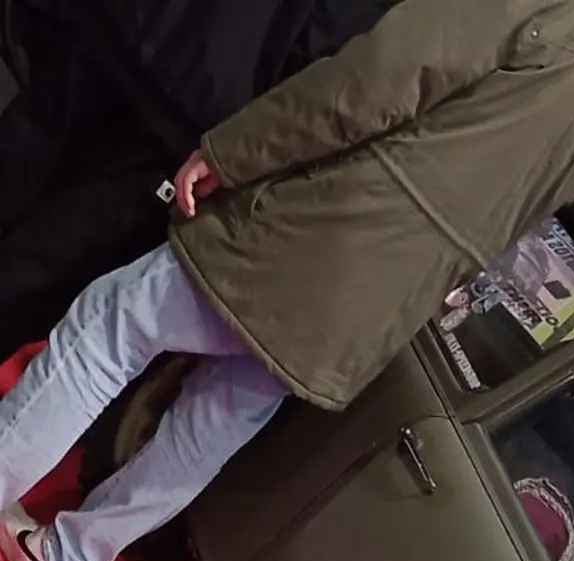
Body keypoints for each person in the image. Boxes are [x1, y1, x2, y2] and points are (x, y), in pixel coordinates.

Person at [0, 0, 574, 561]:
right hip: (385, 298)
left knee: (112, 326)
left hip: (321, 225)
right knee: (213, 422)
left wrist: (232, 151)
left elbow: (370, 84)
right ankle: (64, 559)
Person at [0, 0, 401, 362]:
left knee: (20, 159)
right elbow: (323, 70)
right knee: (47, 261)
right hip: (196, 111)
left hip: (129, 30)